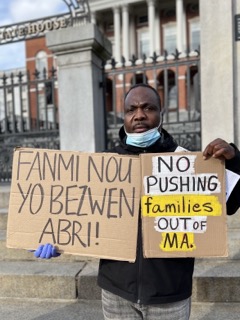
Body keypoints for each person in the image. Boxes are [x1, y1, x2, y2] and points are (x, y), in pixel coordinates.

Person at [34, 84, 240, 320]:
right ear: (124, 117)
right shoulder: (104, 166)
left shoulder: (187, 163)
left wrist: (234, 160)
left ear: (161, 114)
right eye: (132, 109)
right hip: (116, 293)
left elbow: (230, 204)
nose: (139, 114)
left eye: (148, 108)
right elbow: (75, 213)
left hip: (169, 294)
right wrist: (54, 238)